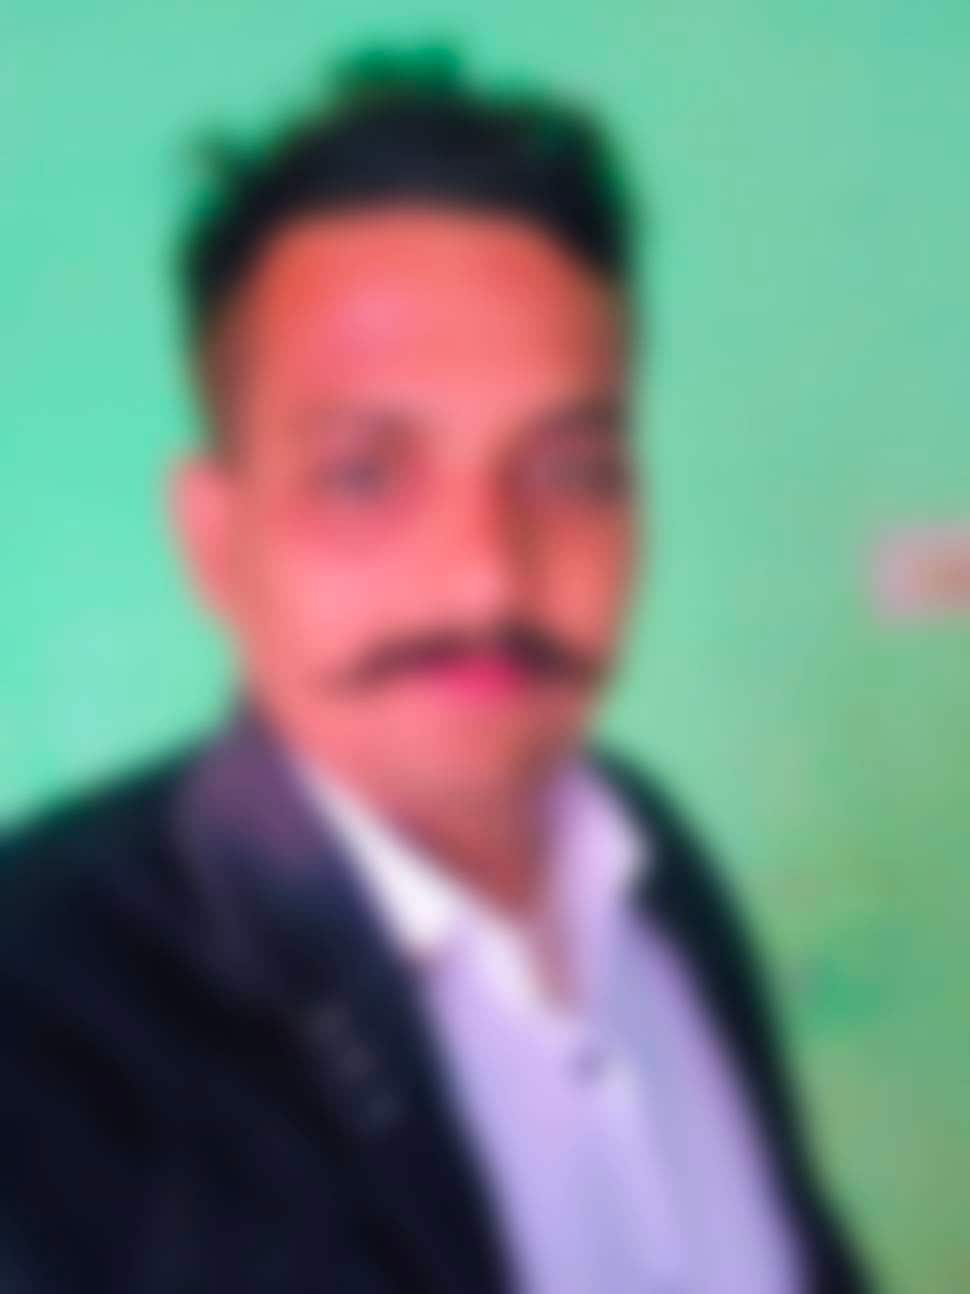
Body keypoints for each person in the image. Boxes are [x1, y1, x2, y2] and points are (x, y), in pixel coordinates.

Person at [0, 48, 868, 1294]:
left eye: (568, 472)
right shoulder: (40, 1019)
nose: (487, 581)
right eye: (364, 475)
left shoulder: (652, 860)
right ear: (214, 539)